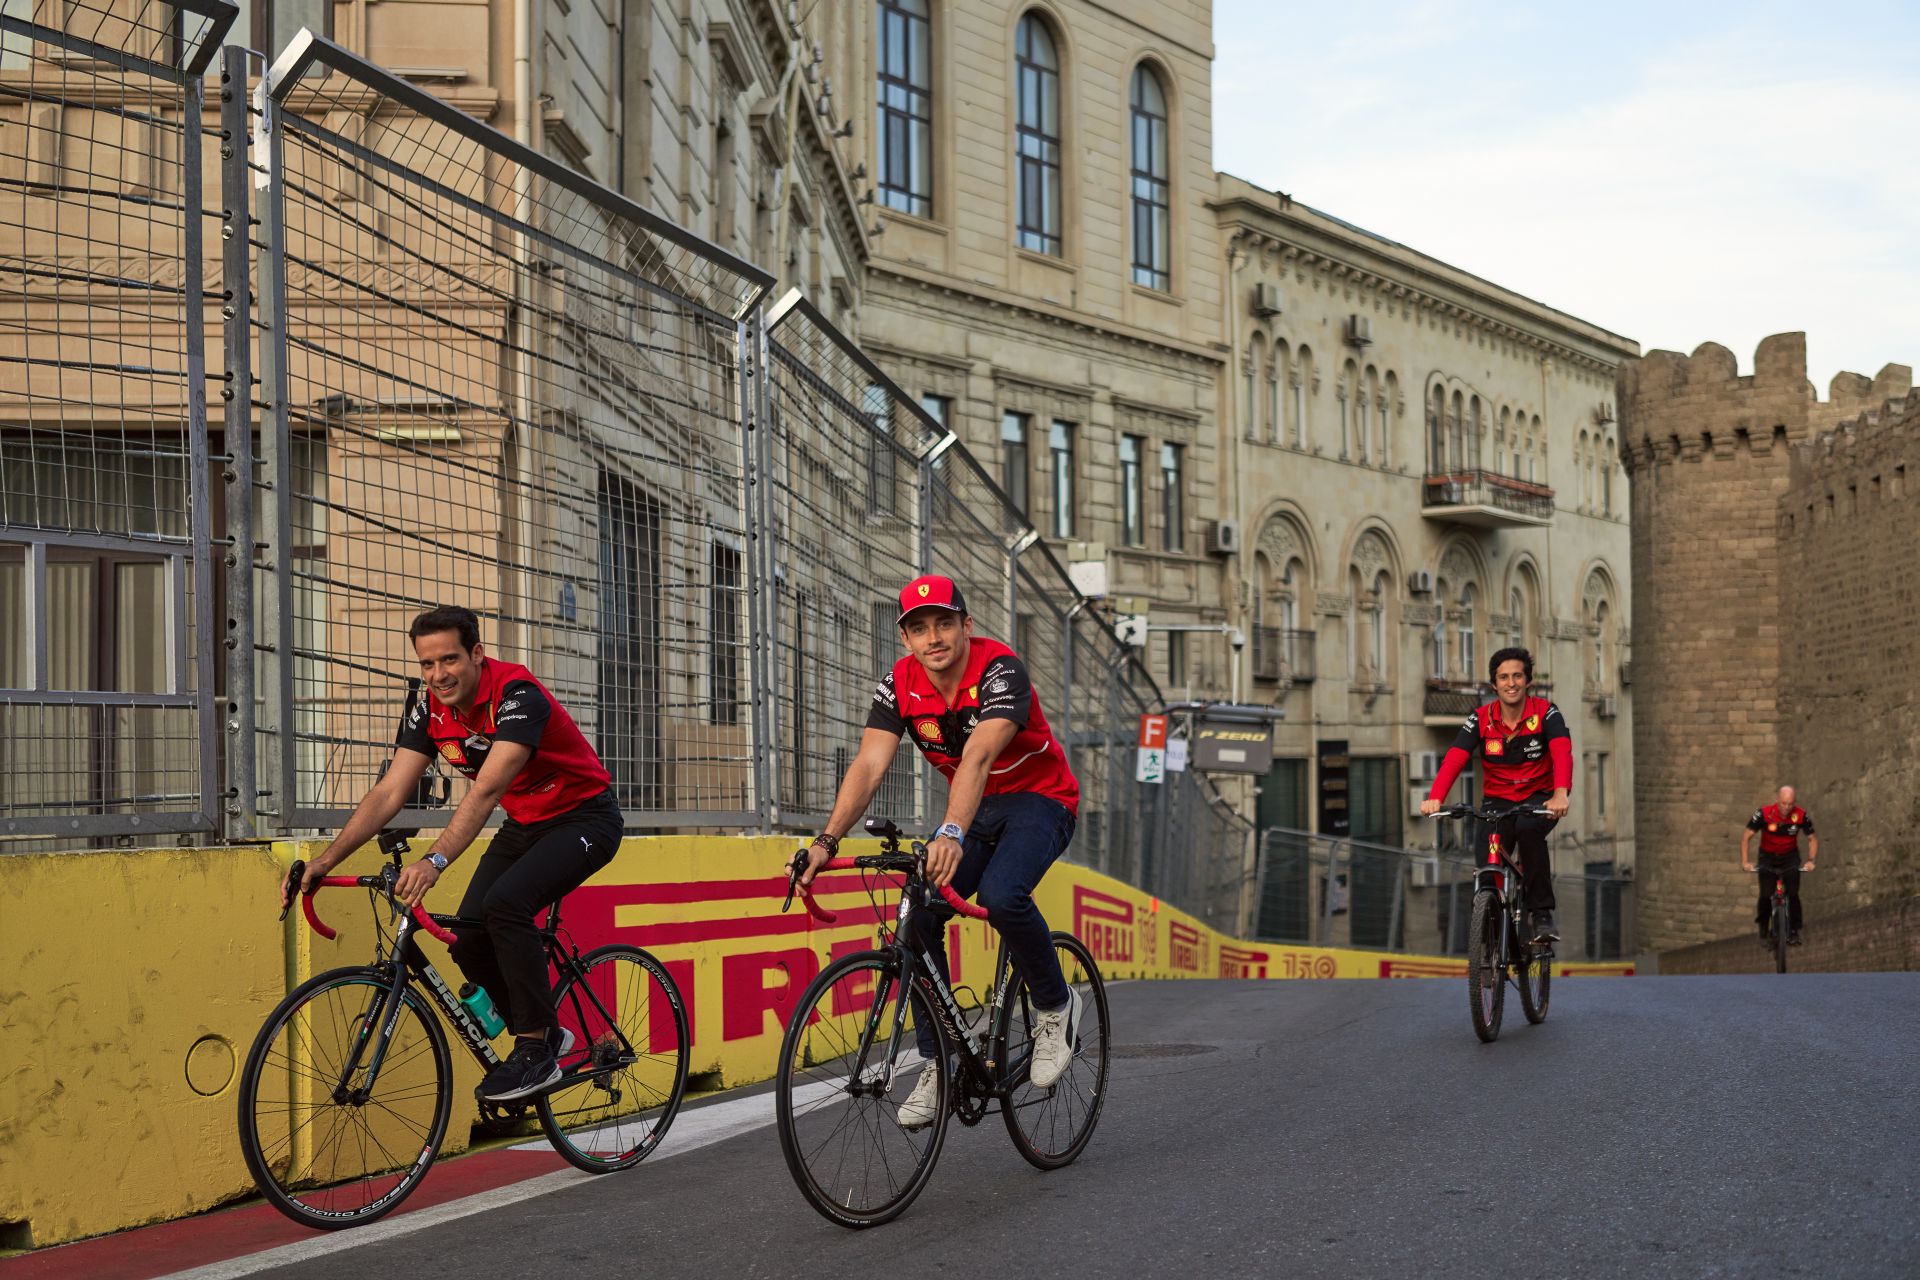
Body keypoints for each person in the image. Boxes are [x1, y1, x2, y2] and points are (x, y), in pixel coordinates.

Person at [278, 605, 623, 1102]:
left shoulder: (517, 696)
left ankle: (532, 1051)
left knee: (506, 904)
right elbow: (389, 792)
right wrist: (325, 861)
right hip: (527, 823)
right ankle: (547, 1033)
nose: (438, 674)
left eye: (450, 659)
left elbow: (484, 792)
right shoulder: (430, 708)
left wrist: (434, 861)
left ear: (477, 654)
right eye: (426, 664)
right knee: (465, 938)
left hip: (584, 819)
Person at [795, 574, 1082, 1127]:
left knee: (1002, 894)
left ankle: (1054, 1005)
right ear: (905, 638)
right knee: (919, 911)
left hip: (1040, 800)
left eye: (945, 623)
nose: (934, 638)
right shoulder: (899, 683)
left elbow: (976, 757)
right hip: (975, 809)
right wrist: (826, 841)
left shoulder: (1000, 669)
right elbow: (870, 764)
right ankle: (940, 1059)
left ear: (966, 627)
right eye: (919, 628)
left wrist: (949, 831)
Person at [1419, 647, 1573, 942]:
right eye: (1503, 677)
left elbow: (1562, 751)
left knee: (1528, 831)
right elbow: (1455, 757)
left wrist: (1560, 794)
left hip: (1541, 795)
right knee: (1488, 863)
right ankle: (1489, 939)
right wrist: (1435, 795)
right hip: (1498, 800)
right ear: (1494, 684)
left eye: (1517, 676)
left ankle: (1541, 914)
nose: (1511, 683)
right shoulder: (1480, 718)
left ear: (1528, 681)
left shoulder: (1546, 712)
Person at [1741, 785, 1817, 945]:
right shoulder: (1763, 813)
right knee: (1765, 894)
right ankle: (1763, 926)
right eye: (1784, 803)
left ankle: (1795, 930)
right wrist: (1745, 862)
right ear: (1777, 800)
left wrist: (1811, 860)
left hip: (1790, 857)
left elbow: (1812, 838)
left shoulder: (1801, 815)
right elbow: (1746, 837)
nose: (1787, 807)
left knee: (1793, 893)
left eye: (1790, 804)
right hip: (1767, 857)